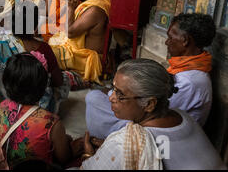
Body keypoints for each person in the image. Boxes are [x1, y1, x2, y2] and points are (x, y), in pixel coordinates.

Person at [85, 13, 217, 139]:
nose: (166, 42)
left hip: (163, 134)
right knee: (98, 97)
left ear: (185, 41)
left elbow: (154, 112)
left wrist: (119, 96)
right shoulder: (189, 67)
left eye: (171, 37)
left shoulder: (189, 82)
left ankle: (104, 142)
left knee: (94, 99)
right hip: (155, 119)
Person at [78, 58, 226, 170]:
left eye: (120, 94)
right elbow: (165, 151)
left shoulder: (125, 142)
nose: (111, 97)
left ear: (149, 104)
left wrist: (89, 155)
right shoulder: (181, 116)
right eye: (113, 89)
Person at [0, 53, 77, 169]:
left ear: (6, 83)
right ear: (43, 87)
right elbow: (64, 158)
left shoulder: (1, 108)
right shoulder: (51, 123)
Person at [0, 5, 69, 112]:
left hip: (3, 104)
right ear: (35, 26)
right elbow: (58, 81)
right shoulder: (43, 49)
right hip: (37, 105)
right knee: (66, 79)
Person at [49, 0, 111, 83]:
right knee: (51, 41)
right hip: (80, 53)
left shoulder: (95, 9)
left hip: (86, 59)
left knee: (46, 54)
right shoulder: (93, 4)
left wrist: (70, 7)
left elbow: (71, 33)